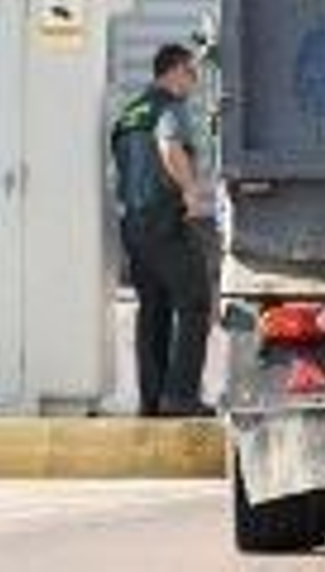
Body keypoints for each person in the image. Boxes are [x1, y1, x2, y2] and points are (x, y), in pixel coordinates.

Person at [111, 43, 214, 417]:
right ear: (172, 71)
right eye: (191, 73)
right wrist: (190, 192)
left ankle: (152, 400)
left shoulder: (129, 113)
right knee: (195, 303)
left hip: (134, 225)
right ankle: (182, 395)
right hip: (166, 220)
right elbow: (169, 147)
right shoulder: (170, 107)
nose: (194, 82)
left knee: (152, 309)